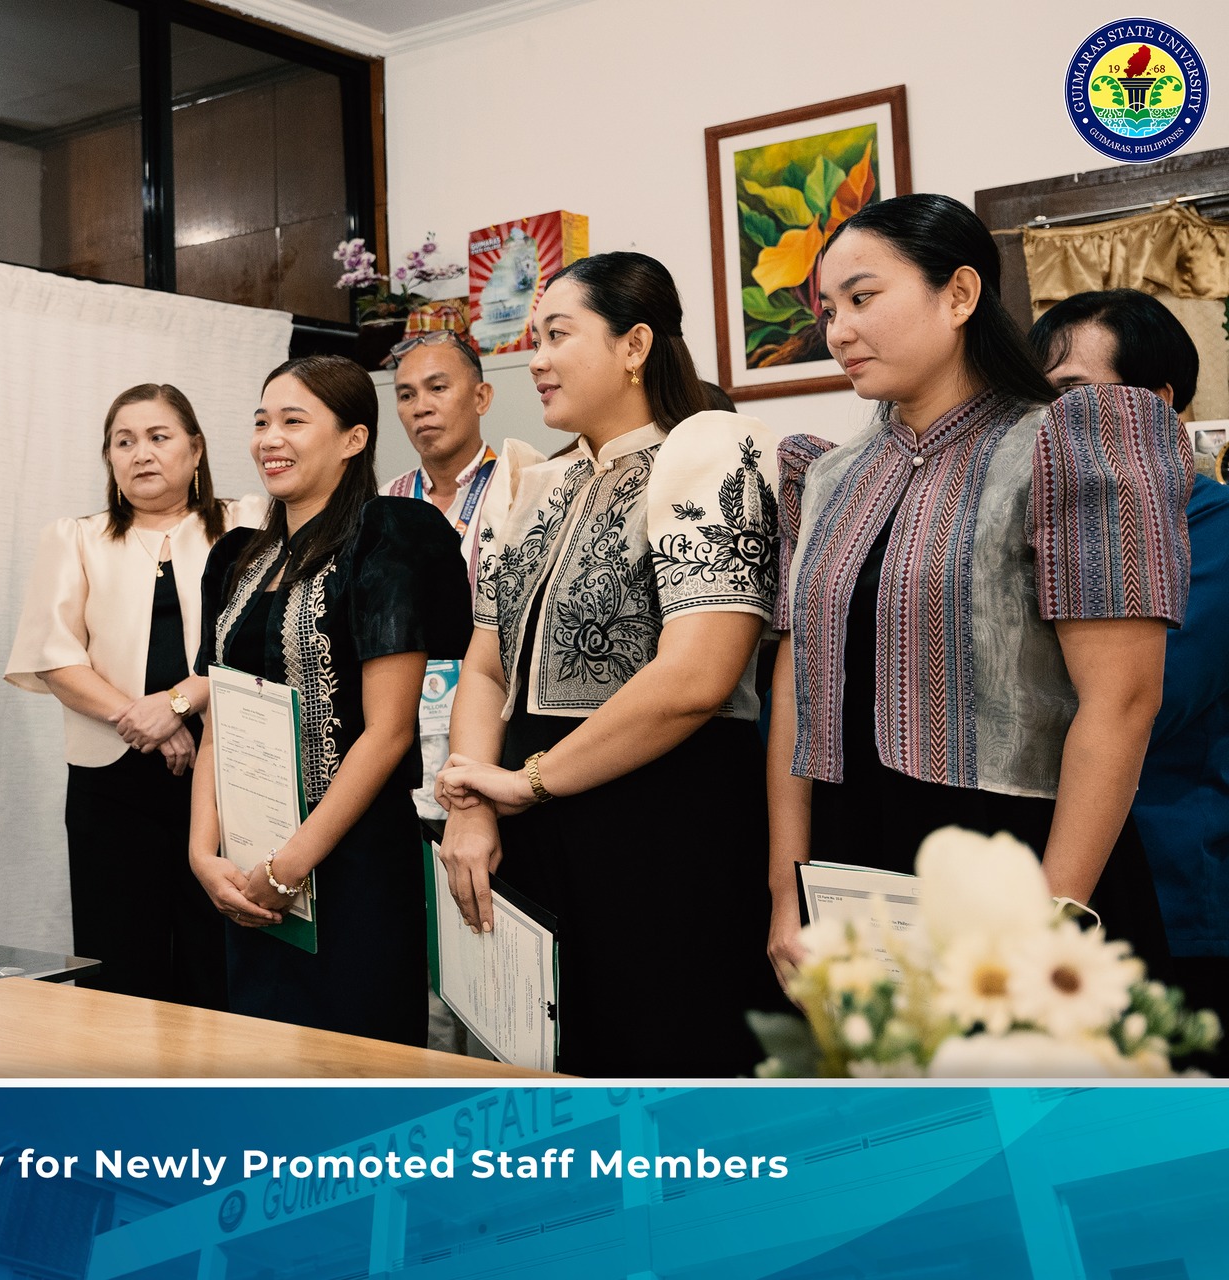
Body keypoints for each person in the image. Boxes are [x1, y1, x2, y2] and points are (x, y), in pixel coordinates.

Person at [768, 197, 1193, 988]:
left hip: (1026, 863)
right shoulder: (822, 476)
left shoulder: (1068, 443)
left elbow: (1124, 701)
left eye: (863, 299)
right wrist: (786, 891)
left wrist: (1051, 917)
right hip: (858, 864)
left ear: (959, 295)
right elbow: (798, 684)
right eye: (828, 310)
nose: (838, 332)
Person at [434, 252, 785, 1077]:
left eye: (559, 335)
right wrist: (475, 803)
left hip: (664, 825)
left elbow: (698, 679)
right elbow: (485, 670)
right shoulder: (534, 486)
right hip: (530, 824)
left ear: (634, 345)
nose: (537, 359)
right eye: (534, 338)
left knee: (664, 1063)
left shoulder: (709, 455)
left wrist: (529, 782)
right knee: (547, 1068)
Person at [189, 355, 469, 1046]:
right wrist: (202, 852)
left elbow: (388, 732)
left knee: (356, 1071)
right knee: (262, 1069)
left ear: (354, 438)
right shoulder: (235, 560)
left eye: (293, 420)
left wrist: (290, 868)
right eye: (260, 422)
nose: (269, 439)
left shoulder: (388, 536)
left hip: (352, 867)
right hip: (247, 867)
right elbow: (220, 718)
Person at [5, 384, 262, 1007]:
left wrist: (178, 703)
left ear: (195, 449)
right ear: (110, 459)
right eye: (124, 442)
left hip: (229, 773)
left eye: (159, 436)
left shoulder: (247, 522)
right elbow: (55, 657)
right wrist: (141, 717)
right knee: (118, 961)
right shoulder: (76, 537)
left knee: (221, 954)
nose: (141, 453)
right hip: (111, 782)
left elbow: (260, 644)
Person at [1029, 289, 1228, 1020]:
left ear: (1158, 400)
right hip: (1064, 880)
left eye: (1072, 397)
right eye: (1037, 401)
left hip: (1175, 887)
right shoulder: (1058, 536)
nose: (1050, 425)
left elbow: (1149, 699)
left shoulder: (1215, 531)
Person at [384, 330, 498, 589]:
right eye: (406, 395)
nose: (420, 407)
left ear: (481, 398)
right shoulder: (386, 503)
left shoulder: (518, 488)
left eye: (437, 388)